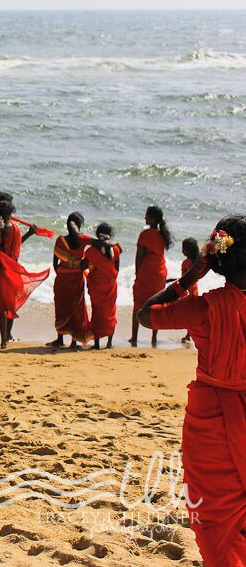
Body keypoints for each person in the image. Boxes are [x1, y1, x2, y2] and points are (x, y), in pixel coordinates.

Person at [136, 216, 246, 565]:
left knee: (217, 521)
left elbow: (146, 314)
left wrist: (187, 279)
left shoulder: (204, 307)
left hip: (210, 426)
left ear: (216, 260)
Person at [0, 199, 47, 349]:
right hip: (5, 271)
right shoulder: (15, 229)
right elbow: (15, 251)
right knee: (2, 307)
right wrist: (30, 233)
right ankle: (3, 342)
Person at [46, 212, 94, 349]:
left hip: (62, 279)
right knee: (76, 309)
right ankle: (74, 341)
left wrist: (62, 273)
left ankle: (60, 339)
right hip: (77, 278)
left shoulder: (60, 240)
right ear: (79, 226)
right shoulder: (83, 240)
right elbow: (97, 245)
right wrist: (85, 262)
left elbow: (55, 262)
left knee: (61, 308)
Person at [130, 205, 173, 346]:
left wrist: (137, 273)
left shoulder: (145, 234)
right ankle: (154, 338)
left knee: (138, 304)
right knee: (156, 305)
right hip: (159, 272)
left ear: (152, 219)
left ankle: (134, 337)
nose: (144, 217)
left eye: (147, 215)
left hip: (147, 273)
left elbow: (139, 257)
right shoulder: (162, 235)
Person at [85, 223, 122, 349]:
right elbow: (117, 270)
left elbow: (82, 266)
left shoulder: (91, 251)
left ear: (97, 236)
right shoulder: (116, 249)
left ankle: (96, 344)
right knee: (110, 312)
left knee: (97, 313)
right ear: (110, 236)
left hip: (96, 286)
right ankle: (109, 343)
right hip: (111, 285)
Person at [178, 237, 201, 344]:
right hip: (195, 289)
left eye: (183, 249)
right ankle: (189, 334)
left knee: (187, 314)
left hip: (187, 291)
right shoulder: (197, 262)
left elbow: (183, 279)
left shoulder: (185, 263)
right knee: (192, 314)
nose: (182, 251)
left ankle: (189, 335)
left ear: (188, 250)